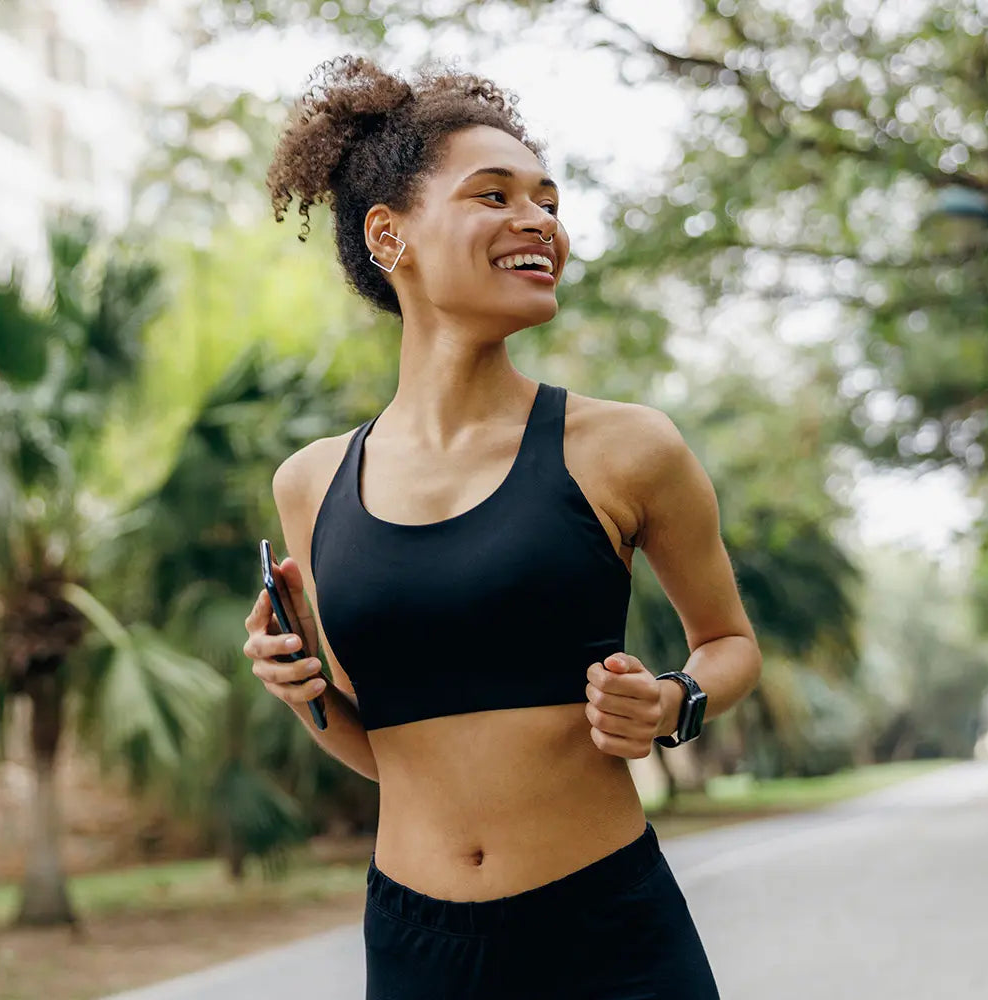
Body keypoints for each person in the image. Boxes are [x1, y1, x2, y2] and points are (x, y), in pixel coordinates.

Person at [240, 56, 763, 999]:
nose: (540, 222)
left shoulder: (627, 448)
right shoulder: (312, 484)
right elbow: (384, 745)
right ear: (389, 235)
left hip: (606, 934)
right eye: (495, 195)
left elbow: (729, 643)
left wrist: (675, 700)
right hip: (416, 947)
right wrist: (302, 693)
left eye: (548, 201)